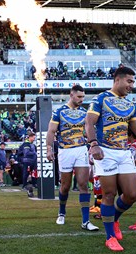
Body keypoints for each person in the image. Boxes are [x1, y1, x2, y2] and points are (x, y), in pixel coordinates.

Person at [85, 66, 136, 252]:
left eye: (133, 82)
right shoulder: (101, 99)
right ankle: (110, 237)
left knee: (132, 194)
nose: (132, 85)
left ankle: (113, 219)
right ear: (117, 80)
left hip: (124, 152)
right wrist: (93, 144)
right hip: (104, 152)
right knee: (108, 194)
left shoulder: (131, 105)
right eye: (129, 81)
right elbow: (89, 122)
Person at [45, 84, 98, 231]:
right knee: (65, 186)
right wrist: (49, 149)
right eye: (79, 96)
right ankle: (61, 212)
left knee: (83, 185)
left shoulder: (84, 112)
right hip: (65, 151)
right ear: (71, 95)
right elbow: (51, 132)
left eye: (83, 97)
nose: (82, 99)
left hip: (81, 149)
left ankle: (86, 221)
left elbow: (89, 131)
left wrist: (94, 145)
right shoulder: (59, 112)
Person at [17, 132, 37, 197]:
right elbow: (26, 153)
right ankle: (24, 185)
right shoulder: (26, 144)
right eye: (34, 138)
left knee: (33, 172)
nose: (34, 139)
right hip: (27, 160)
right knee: (26, 173)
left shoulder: (32, 144)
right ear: (30, 137)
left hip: (32, 161)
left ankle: (34, 184)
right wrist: (34, 153)